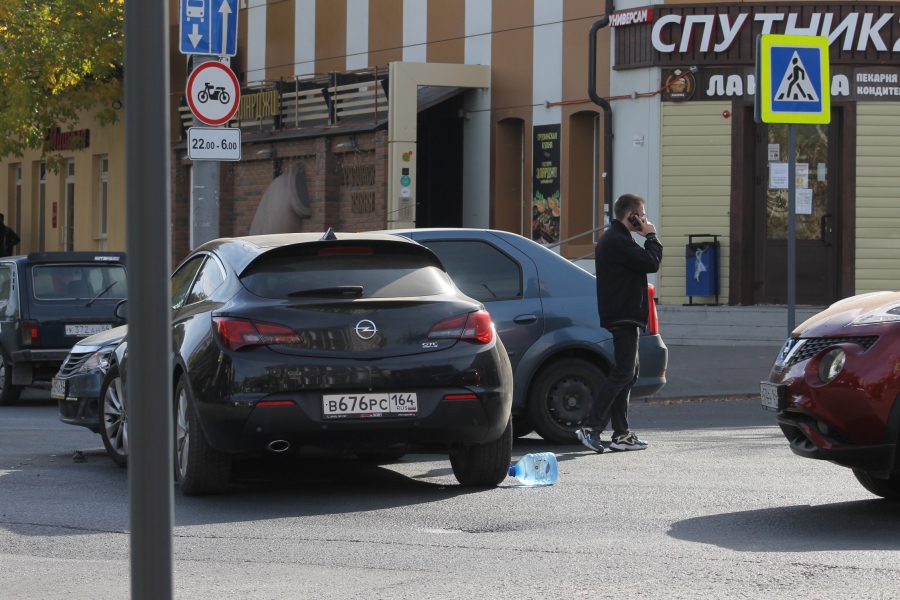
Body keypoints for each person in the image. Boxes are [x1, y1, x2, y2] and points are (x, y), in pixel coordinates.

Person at [577, 193, 663, 453]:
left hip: (625, 313)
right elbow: (652, 262)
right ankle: (591, 428)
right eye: (642, 215)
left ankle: (621, 434)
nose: (645, 220)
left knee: (630, 372)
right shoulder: (618, 240)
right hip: (623, 313)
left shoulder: (618, 238)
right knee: (623, 372)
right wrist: (651, 236)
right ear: (632, 216)